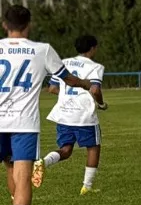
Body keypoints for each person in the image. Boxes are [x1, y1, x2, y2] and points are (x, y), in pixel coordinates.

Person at [0, 6, 98, 205]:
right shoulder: (42, 50)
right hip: (23, 123)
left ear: (4, 25)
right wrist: (86, 85)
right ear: (29, 24)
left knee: (10, 168)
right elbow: (68, 79)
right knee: (22, 175)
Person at [35, 34, 107, 195]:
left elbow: (52, 88)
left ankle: (43, 162)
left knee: (66, 149)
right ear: (93, 48)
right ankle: (87, 187)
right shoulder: (95, 67)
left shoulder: (64, 63)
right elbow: (95, 90)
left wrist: (67, 96)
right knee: (93, 147)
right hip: (83, 115)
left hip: (64, 114)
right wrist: (101, 104)